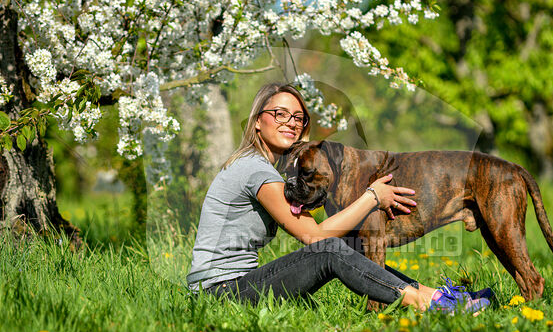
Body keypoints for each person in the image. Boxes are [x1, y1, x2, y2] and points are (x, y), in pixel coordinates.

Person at [187, 82, 493, 313]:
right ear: (257, 121)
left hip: (231, 286)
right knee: (332, 248)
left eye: (298, 117)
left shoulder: (263, 169)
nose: (291, 122)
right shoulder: (256, 171)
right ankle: (431, 304)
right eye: (279, 114)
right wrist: (372, 196)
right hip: (220, 293)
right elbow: (316, 237)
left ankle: (438, 295)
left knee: (348, 247)